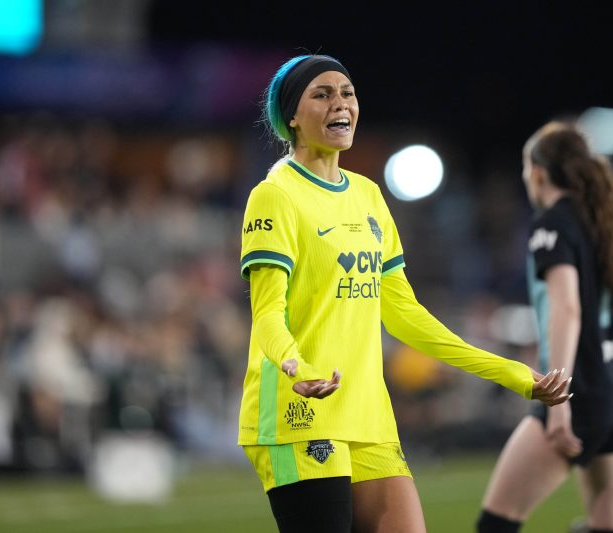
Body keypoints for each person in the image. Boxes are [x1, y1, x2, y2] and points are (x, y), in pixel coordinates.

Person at [238, 54, 571, 533]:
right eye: (322, 94)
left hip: (366, 413)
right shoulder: (275, 196)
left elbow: (404, 314)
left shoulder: (368, 196)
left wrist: (510, 373)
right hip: (299, 413)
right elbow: (267, 315)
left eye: (347, 93)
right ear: (291, 115)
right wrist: (296, 367)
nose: (340, 103)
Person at [477, 121, 613, 533]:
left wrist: (559, 400)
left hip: (580, 392)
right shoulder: (610, 223)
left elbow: (567, 308)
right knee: (611, 527)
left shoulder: (552, 222)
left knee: (495, 524)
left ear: (537, 172)